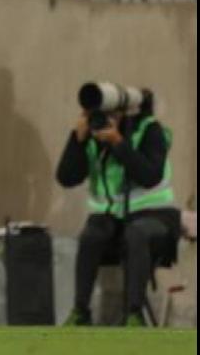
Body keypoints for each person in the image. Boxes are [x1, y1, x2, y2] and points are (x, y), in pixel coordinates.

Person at [56, 91, 178, 327]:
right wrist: (76, 139)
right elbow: (67, 177)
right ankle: (81, 311)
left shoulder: (149, 131)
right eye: (99, 115)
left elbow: (149, 176)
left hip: (157, 216)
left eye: (112, 115)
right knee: (91, 233)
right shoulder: (92, 138)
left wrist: (119, 143)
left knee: (137, 233)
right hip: (114, 218)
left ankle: (134, 314)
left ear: (124, 114)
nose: (105, 121)